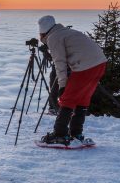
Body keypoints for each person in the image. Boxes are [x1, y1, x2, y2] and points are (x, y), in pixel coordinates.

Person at [37, 15, 107, 145]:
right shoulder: (66, 32)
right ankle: (76, 133)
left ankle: (60, 134)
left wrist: (62, 85)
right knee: (83, 98)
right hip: (100, 64)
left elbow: (60, 63)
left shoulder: (53, 37)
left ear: (43, 32)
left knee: (67, 99)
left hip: (85, 66)